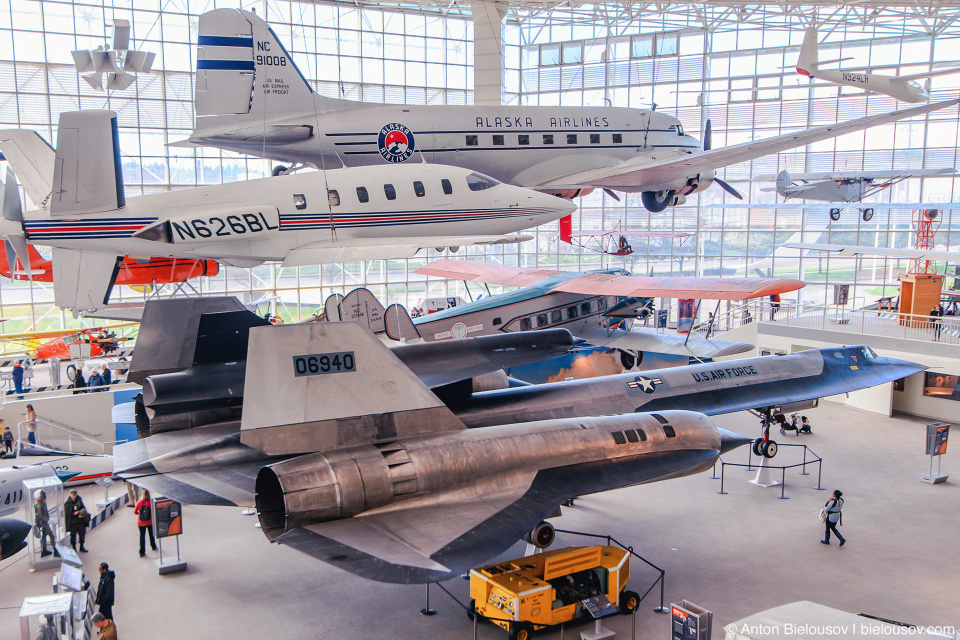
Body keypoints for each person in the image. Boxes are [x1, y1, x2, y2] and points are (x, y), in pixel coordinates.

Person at [34, 490, 58, 557]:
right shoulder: (39, 505)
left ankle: (44, 551)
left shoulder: (41, 503)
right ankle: (55, 551)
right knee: (51, 536)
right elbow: (41, 515)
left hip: (43, 522)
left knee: (44, 536)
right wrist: (47, 519)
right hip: (43, 523)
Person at [135, 489, 157, 556]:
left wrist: (140, 514)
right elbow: (153, 512)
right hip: (149, 522)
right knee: (151, 535)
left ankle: (142, 552)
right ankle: (153, 546)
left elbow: (135, 512)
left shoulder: (139, 502)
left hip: (141, 522)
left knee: (142, 536)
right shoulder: (150, 502)